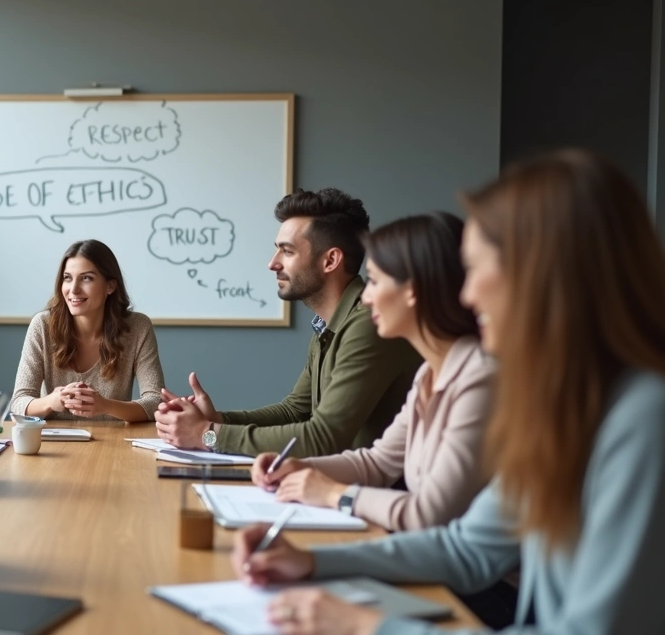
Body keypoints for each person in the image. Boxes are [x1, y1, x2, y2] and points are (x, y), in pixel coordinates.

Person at [232, 149, 665, 635]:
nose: (466, 294)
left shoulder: (643, 418)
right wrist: (311, 563)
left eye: (479, 269)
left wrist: (366, 627)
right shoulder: (562, 401)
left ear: (546, 274)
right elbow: (470, 547)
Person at [254, 213, 494, 532]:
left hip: (468, 576)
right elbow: (376, 463)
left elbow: (427, 516)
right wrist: (298, 467)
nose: (365, 296)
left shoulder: (480, 378)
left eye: (376, 281)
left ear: (413, 290)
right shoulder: (430, 375)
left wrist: (332, 492)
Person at [156, 189, 422, 456]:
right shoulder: (328, 324)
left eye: (287, 251)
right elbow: (295, 411)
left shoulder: (369, 324)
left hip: (375, 493)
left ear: (330, 260)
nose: (273, 264)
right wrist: (216, 421)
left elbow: (323, 437)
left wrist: (207, 435)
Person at [10, 240, 164, 422]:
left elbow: (156, 402)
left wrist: (105, 406)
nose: (73, 290)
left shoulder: (138, 327)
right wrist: (52, 401)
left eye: (86, 278)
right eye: (67, 278)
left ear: (110, 286)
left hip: (113, 445)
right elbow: (19, 402)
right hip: (52, 445)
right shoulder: (42, 325)